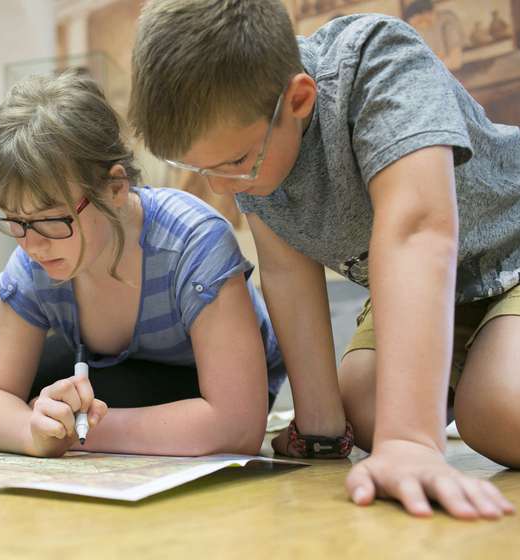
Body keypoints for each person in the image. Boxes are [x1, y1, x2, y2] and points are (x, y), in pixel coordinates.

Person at [128, 0, 518, 519]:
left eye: (237, 163)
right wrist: (320, 430)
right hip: (453, 287)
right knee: (366, 406)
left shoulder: (378, 60)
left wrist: (412, 442)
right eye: (201, 169)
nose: (223, 188)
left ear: (299, 99)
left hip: (508, 247)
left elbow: (416, 232)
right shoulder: (253, 144)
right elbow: (287, 272)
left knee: (497, 410)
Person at [0, 70, 290, 458]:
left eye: (51, 219)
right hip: (107, 367)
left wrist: (76, 434)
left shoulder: (192, 241)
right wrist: (34, 431)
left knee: (100, 398)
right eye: (13, 220)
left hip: (202, 378)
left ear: (115, 188)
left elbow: (239, 425)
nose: (32, 243)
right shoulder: (33, 261)